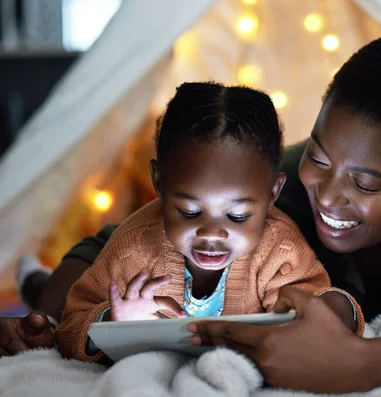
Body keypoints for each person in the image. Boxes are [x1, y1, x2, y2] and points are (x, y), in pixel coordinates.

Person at [2, 33, 381, 394]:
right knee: (54, 288)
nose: (329, 194)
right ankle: (32, 279)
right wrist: (53, 320)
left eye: (365, 183)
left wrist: (363, 365)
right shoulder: (274, 191)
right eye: (317, 155)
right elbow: (119, 241)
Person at [54, 82, 361, 362]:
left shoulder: (280, 250)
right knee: (48, 290)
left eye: (238, 216)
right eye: (189, 211)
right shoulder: (133, 249)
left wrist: (330, 308)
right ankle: (35, 280)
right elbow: (70, 325)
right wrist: (112, 322)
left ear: (273, 193)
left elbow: (318, 310)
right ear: (159, 183)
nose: (212, 233)